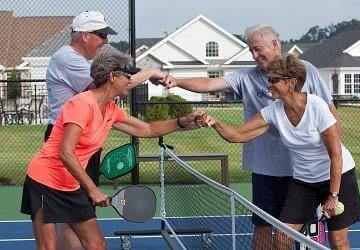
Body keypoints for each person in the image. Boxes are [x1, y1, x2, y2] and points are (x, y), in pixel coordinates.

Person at [156, 25, 340, 248]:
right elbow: (210, 83)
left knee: (304, 233)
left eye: (258, 49)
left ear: (275, 45)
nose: (254, 55)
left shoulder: (305, 69)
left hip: (302, 171)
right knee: (262, 225)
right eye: (250, 50)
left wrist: (333, 154)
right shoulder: (246, 76)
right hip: (263, 168)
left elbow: (329, 111)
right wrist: (177, 81)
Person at [21, 50, 205, 250]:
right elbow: (66, 152)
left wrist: (182, 122)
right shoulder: (82, 104)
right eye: (127, 76)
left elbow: (147, 128)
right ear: (112, 76)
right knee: (48, 246)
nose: (129, 81)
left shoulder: (111, 110)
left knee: (96, 244)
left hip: (70, 185)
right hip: (45, 181)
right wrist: (92, 190)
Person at [202, 53, 360, 249]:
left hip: (338, 176)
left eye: (274, 80)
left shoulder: (317, 107)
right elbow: (237, 135)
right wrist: (216, 123)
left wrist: (333, 194)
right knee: (282, 237)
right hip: (304, 181)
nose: (269, 84)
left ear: (292, 82)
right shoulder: (272, 111)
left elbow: (336, 155)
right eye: (268, 79)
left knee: (338, 240)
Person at [45, 11, 165, 249]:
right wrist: (150, 72)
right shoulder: (68, 58)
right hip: (68, 141)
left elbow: (146, 127)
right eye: (101, 35)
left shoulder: (78, 60)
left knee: (76, 215)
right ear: (84, 35)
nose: (106, 41)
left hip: (83, 140)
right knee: (73, 217)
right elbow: (104, 86)